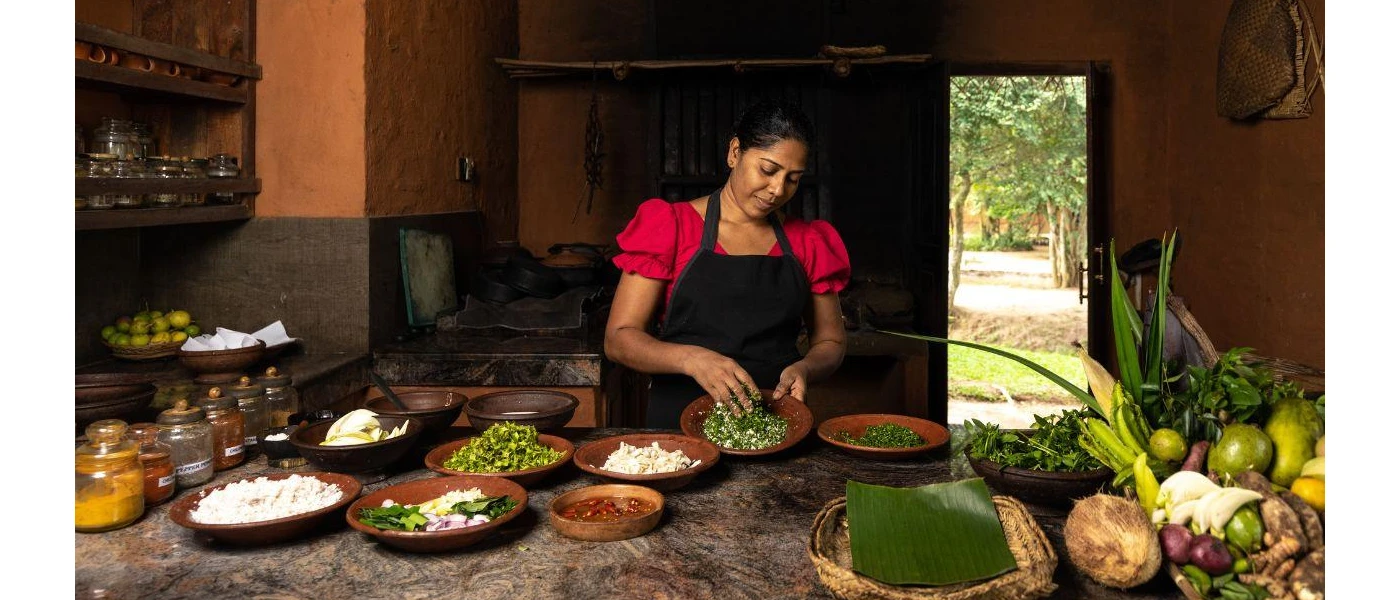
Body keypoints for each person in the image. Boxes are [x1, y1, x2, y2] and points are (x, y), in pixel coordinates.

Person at [604, 99, 851, 428]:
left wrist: (805, 367)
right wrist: (692, 358)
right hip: (678, 424)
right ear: (735, 152)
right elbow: (619, 339)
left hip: (774, 423)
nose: (778, 189)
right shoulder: (671, 227)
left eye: (793, 178)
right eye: (768, 169)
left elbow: (831, 341)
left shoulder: (808, 242)